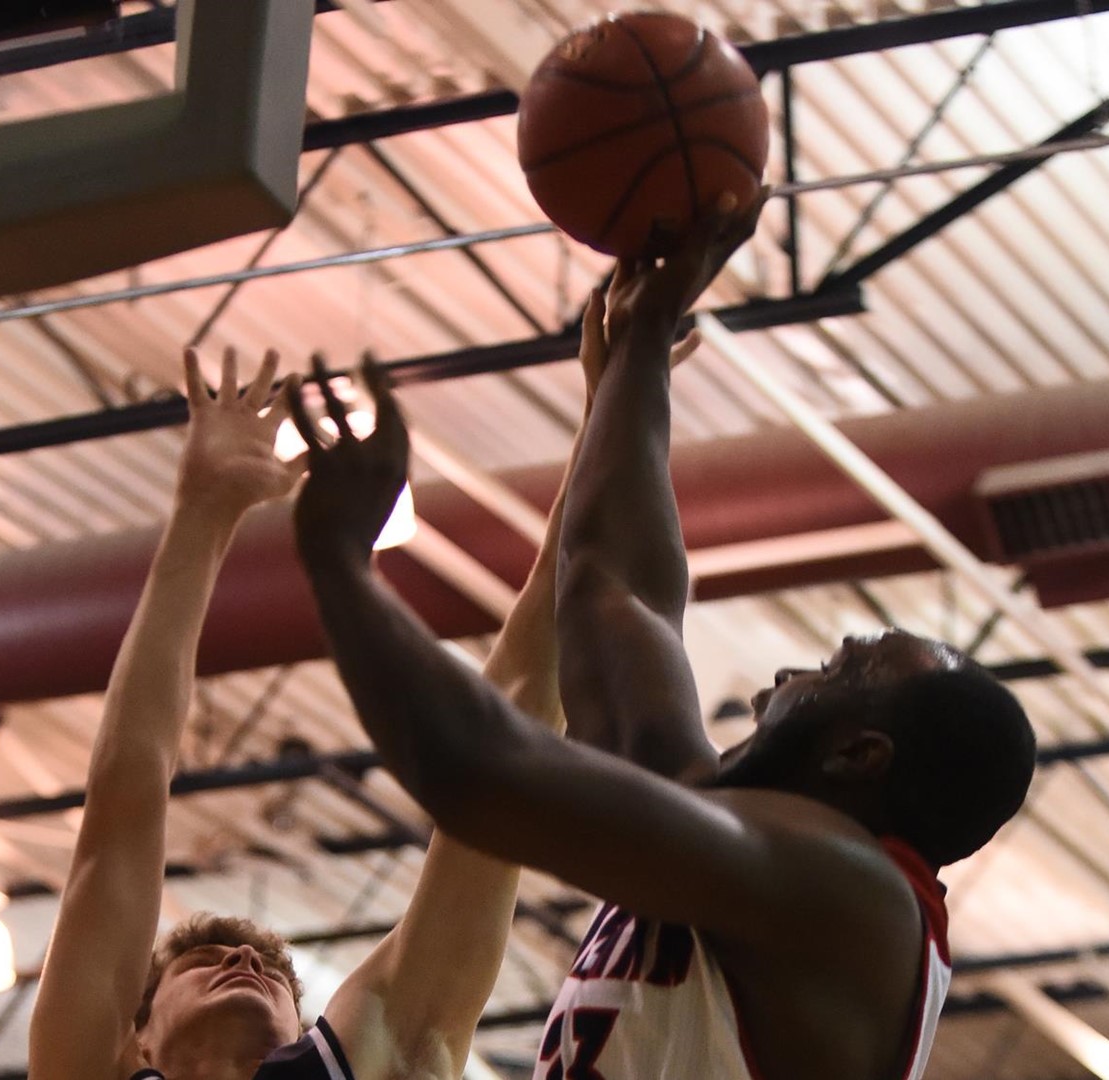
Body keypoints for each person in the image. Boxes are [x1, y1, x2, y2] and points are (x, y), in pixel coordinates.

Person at [288, 200, 1037, 1080]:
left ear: (860, 752)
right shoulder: (730, 846)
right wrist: (639, 352)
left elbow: (476, 768)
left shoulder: (847, 895)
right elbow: (616, 596)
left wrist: (340, 563)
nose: (783, 679)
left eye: (838, 671)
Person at [29, 345, 577, 1080]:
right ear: (139, 1040)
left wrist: (615, 416)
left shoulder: (375, 1052)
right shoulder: (88, 1069)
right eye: (201, 962)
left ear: (300, 1027)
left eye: (273, 977)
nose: (247, 959)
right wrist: (202, 512)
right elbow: (127, 794)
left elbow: (517, 731)